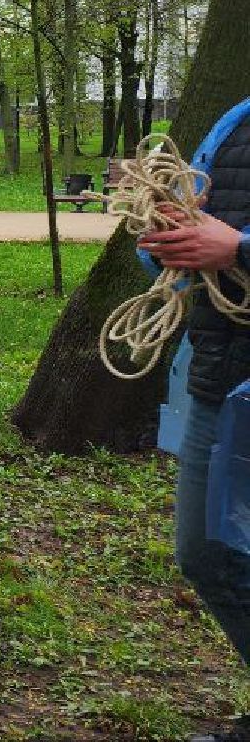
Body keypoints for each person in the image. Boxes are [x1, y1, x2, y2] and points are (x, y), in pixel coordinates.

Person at [145, 96, 250, 742]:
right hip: (218, 372)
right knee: (204, 551)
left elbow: (226, 243)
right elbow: (187, 244)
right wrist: (165, 241)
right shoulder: (235, 120)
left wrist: (235, 246)